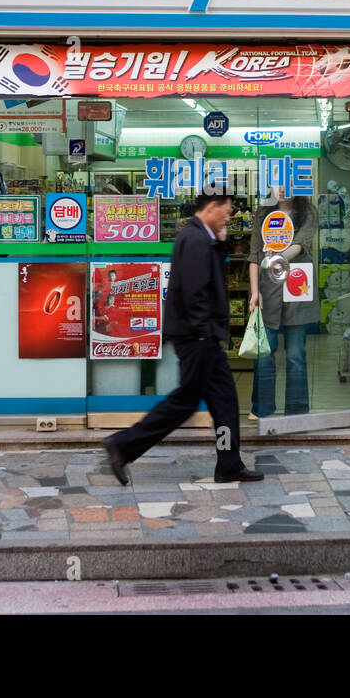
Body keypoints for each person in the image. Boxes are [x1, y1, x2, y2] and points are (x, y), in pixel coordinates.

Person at [102, 192, 262, 485]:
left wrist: (222, 240)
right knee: (184, 402)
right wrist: (204, 332)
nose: (228, 217)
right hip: (197, 337)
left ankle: (229, 463)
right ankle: (123, 445)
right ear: (211, 208)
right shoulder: (194, 239)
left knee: (223, 401)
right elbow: (194, 291)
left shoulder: (202, 237)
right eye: (226, 212)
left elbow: (210, 273)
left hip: (201, 336)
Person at [248, 190, 317, 419]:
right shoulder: (263, 214)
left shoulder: (307, 211)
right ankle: (262, 410)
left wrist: (277, 255)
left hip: (298, 289)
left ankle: (297, 412)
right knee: (264, 352)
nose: (283, 189)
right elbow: (254, 256)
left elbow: (300, 244)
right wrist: (255, 292)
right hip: (268, 291)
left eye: (289, 182)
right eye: (279, 183)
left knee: (295, 354)